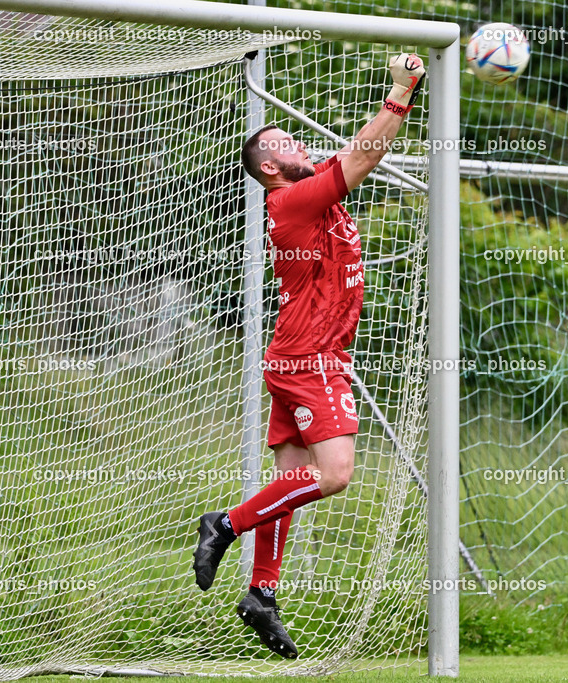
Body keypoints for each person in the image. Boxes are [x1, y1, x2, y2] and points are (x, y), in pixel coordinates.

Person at [193, 52, 425, 658]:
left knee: (291, 479)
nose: (298, 143)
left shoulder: (310, 193)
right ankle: (225, 524)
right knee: (335, 476)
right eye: (284, 141)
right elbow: (364, 153)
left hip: (298, 352)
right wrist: (401, 90)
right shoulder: (291, 203)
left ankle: (261, 593)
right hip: (311, 356)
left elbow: (355, 153)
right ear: (269, 166)